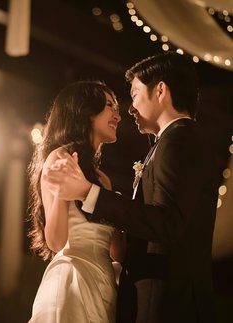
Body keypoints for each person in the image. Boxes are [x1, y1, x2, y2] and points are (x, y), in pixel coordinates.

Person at [43, 52, 218, 322]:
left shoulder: (178, 140)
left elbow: (166, 223)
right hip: (87, 282)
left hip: (165, 300)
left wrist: (91, 195)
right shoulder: (166, 144)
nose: (128, 109)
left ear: (160, 90)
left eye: (134, 94)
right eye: (110, 105)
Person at [27, 80, 124, 322]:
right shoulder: (58, 158)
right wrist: (63, 194)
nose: (117, 116)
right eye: (110, 106)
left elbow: (118, 253)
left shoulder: (103, 179)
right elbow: (56, 241)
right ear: (85, 110)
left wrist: (123, 211)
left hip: (104, 284)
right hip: (72, 279)